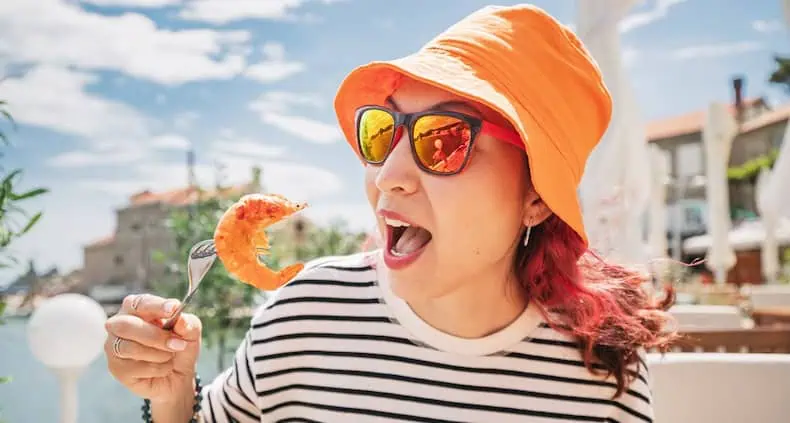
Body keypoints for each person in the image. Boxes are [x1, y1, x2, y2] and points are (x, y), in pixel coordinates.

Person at [104, 4, 677, 422]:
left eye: (445, 140)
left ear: (535, 196)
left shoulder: (603, 380)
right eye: (383, 133)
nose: (387, 175)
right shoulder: (304, 312)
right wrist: (174, 396)